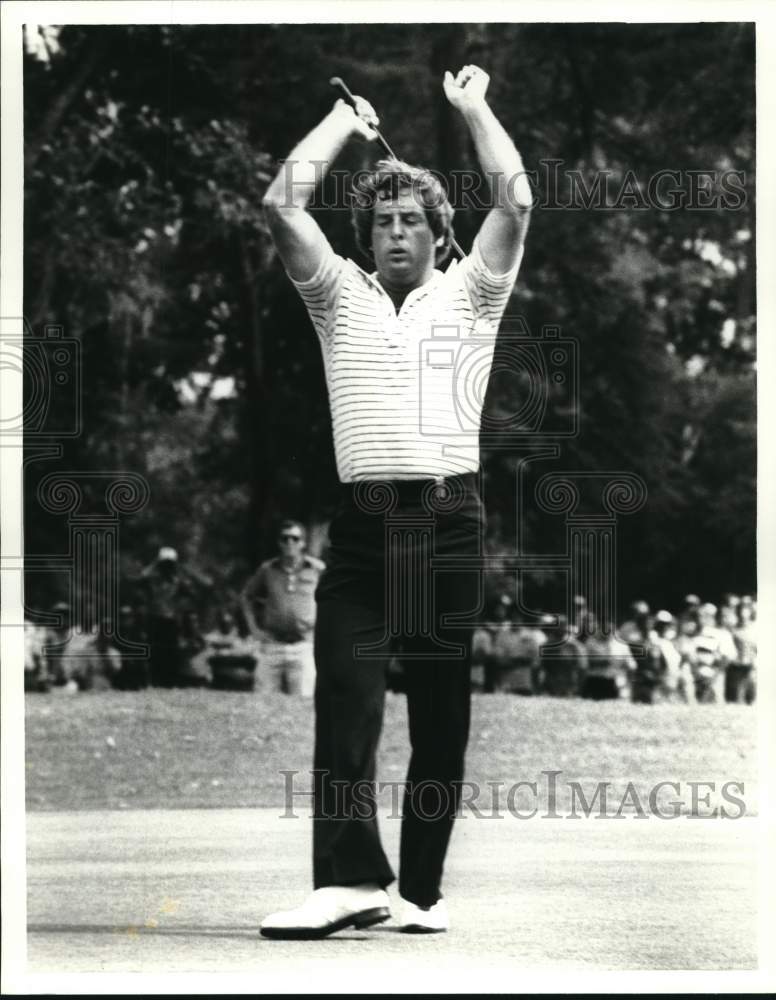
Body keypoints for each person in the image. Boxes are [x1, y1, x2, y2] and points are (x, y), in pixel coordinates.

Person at [259, 64, 531, 938]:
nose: (395, 231)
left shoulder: (475, 292)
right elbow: (280, 206)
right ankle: (348, 881)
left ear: (440, 233)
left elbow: (517, 202)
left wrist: (475, 108)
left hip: (448, 523)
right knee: (347, 696)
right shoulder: (338, 295)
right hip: (363, 529)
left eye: (412, 219)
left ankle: (419, 891)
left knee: (440, 718)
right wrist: (344, 121)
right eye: (381, 220)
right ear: (365, 235)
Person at [241, 521, 324, 696]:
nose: (289, 543)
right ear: (279, 543)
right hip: (272, 644)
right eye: (284, 538)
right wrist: (254, 629)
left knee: (303, 701)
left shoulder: (317, 569)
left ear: (303, 543)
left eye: (295, 538)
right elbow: (247, 597)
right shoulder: (268, 569)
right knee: (262, 700)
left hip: (303, 645)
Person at [135, 546, 212, 688]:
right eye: (164, 564)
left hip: (171, 620)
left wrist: (185, 571)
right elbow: (140, 578)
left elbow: (204, 586)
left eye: (169, 564)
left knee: (171, 651)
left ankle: (169, 680)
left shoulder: (178, 580)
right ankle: (155, 680)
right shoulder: (153, 579)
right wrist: (154, 564)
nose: (167, 567)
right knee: (154, 650)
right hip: (154, 618)